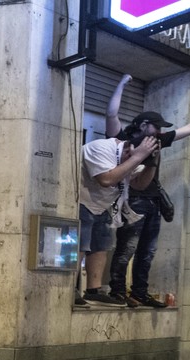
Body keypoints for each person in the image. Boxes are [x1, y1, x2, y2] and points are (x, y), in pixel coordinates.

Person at [105, 75, 190, 308]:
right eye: (156, 127)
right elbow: (111, 115)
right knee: (126, 249)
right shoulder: (124, 140)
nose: (159, 131)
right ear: (143, 125)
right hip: (131, 200)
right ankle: (117, 291)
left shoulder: (158, 141)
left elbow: (185, 130)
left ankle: (139, 292)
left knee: (148, 251)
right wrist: (121, 84)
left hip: (153, 202)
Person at [77, 126, 158, 306]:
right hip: (80, 200)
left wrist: (151, 163)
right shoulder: (101, 148)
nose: (138, 162)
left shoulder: (134, 157)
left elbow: (140, 185)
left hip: (103, 206)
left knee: (100, 247)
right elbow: (106, 179)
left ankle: (93, 291)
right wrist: (138, 157)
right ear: (129, 148)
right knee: (79, 245)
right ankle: (70, 290)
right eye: (137, 157)